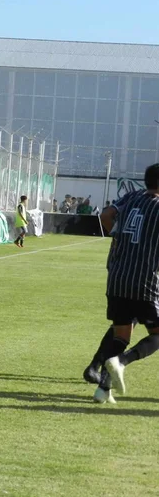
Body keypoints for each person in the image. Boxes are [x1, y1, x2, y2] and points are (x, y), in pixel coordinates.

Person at [85, 163, 159, 404]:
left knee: (121, 335)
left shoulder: (132, 196)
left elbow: (106, 215)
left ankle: (103, 389)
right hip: (145, 280)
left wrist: (119, 238)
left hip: (117, 277)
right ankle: (121, 361)